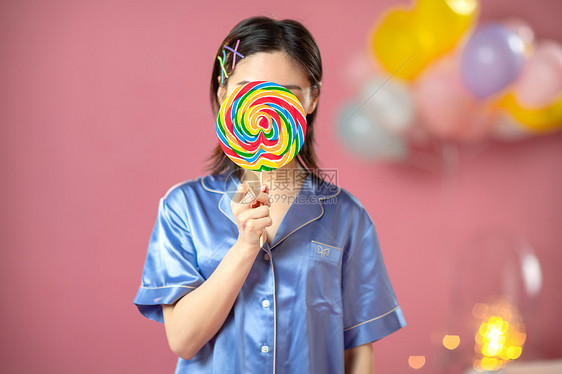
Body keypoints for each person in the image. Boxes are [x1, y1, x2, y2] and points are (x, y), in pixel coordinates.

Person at [134, 16, 406, 374]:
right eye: (247, 88)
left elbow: (358, 349)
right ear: (223, 95)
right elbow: (183, 340)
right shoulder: (183, 208)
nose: (265, 105)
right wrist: (245, 247)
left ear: (311, 98)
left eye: (287, 93)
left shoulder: (347, 216)